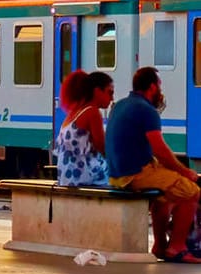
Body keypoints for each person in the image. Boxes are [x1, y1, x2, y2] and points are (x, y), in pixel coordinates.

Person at [105, 67, 201, 262]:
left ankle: (160, 246)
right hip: (135, 173)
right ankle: (177, 247)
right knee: (192, 191)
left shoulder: (121, 105)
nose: (160, 90)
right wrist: (185, 171)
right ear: (151, 87)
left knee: (165, 196)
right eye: (159, 85)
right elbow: (159, 148)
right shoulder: (147, 110)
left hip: (118, 173)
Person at [56, 69, 113, 187]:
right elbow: (102, 148)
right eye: (110, 93)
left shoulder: (73, 113)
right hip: (85, 178)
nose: (112, 98)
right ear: (97, 91)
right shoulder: (92, 112)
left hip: (67, 178)